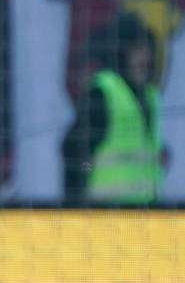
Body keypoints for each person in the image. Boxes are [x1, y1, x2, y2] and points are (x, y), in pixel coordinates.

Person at [63, 14, 163, 204]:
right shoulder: (104, 92)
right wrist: (78, 196)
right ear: (121, 52)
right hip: (106, 215)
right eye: (136, 50)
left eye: (147, 49)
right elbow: (73, 150)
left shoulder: (151, 97)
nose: (145, 58)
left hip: (146, 214)